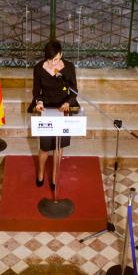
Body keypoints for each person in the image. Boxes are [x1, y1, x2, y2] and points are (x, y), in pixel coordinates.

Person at [27, 39, 78, 190]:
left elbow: (74, 91)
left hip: (63, 108)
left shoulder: (69, 67)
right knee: (45, 146)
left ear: (61, 54)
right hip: (46, 108)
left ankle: (55, 174)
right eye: (50, 60)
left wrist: (68, 102)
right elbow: (36, 91)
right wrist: (39, 103)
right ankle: (40, 173)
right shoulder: (39, 68)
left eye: (55, 59)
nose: (53, 63)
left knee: (59, 145)